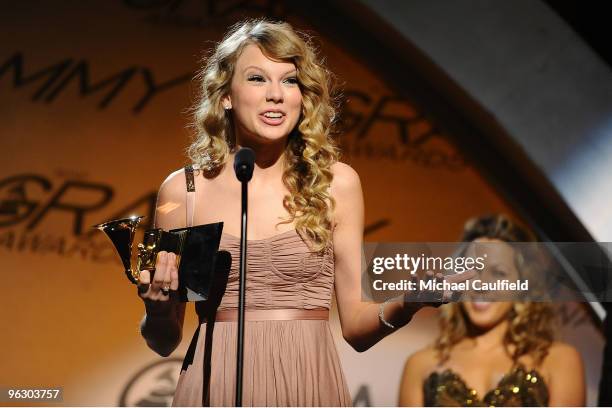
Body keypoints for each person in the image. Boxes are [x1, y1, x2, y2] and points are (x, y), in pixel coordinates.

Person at [134, 19, 472, 406]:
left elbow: (357, 328)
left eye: (289, 81)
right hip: (216, 386)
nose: (276, 95)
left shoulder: (335, 185)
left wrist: (407, 303)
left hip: (307, 383)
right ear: (226, 95)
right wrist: (157, 312)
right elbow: (164, 341)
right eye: (258, 79)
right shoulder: (185, 192)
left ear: (303, 97)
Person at [398, 214, 585, 406]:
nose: (481, 284)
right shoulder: (420, 364)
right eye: (472, 270)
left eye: (498, 273)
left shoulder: (558, 359)